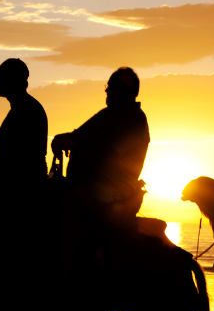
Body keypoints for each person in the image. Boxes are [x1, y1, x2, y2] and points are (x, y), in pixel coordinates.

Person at [51, 67, 150, 225]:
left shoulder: (135, 120)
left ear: (126, 91)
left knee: (68, 203)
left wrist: (75, 141)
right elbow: (77, 134)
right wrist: (61, 138)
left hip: (114, 187)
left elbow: (108, 150)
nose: (108, 90)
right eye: (108, 85)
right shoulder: (106, 114)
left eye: (113, 86)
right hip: (92, 183)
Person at [0, 58, 47, 185]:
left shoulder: (26, 110)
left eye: (0, 77)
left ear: (12, 79)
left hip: (19, 184)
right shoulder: (23, 107)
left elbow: (12, 159)